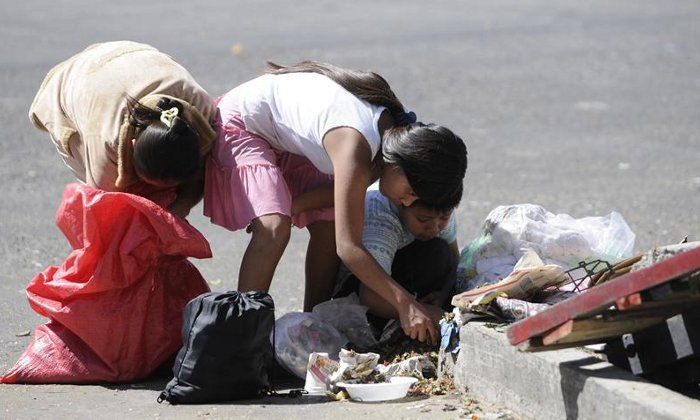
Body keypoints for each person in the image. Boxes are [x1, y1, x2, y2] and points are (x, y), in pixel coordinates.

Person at [204, 61, 467, 342]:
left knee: (329, 223)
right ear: (401, 167)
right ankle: (240, 339)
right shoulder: (356, 147)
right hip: (243, 124)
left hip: (291, 139)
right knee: (274, 228)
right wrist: (406, 305)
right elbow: (349, 248)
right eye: (413, 191)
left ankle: (307, 329)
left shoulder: (390, 141)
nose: (409, 202)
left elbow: (343, 196)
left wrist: (296, 204)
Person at [28, 41, 218, 217]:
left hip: (133, 60)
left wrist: (177, 211)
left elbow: (200, 176)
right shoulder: (105, 139)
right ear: (133, 146)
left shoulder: (203, 111)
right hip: (75, 80)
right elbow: (101, 213)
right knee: (111, 211)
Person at [334, 185, 460, 334]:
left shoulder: (440, 208)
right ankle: (391, 323)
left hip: (401, 274)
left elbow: (454, 261)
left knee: (440, 250)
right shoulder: (382, 222)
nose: (433, 227)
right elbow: (369, 297)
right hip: (360, 287)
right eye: (422, 219)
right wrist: (423, 311)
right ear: (401, 202)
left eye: (444, 218)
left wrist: (442, 294)